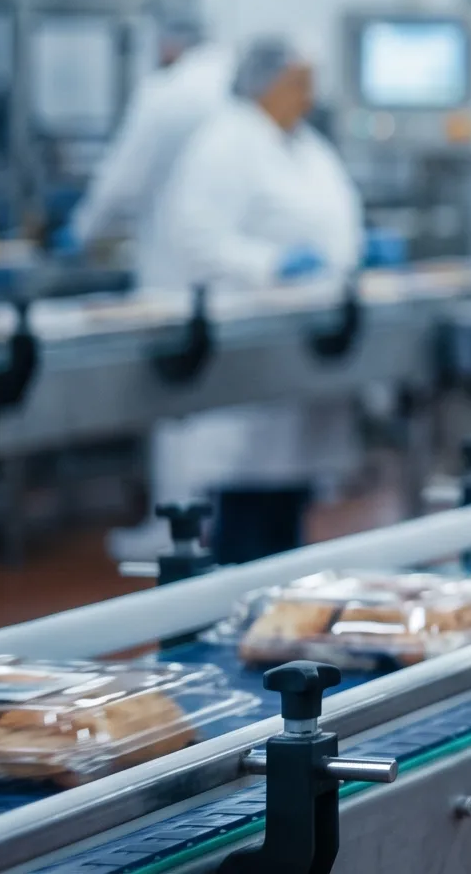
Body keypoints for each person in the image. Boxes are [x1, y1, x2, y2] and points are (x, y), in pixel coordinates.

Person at [140, 36, 366, 560]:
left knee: (287, 505)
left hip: (301, 348)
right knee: (246, 506)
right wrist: (270, 264)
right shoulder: (224, 143)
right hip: (249, 349)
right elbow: (196, 239)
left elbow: (337, 218)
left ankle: (283, 598)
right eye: (299, 83)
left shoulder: (306, 145)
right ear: (266, 84)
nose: (309, 96)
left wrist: (350, 254)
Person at [59, 4, 231, 256]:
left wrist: (82, 230)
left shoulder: (166, 91)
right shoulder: (236, 81)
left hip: (175, 251)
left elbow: (123, 179)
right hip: (234, 248)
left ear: (169, 44)